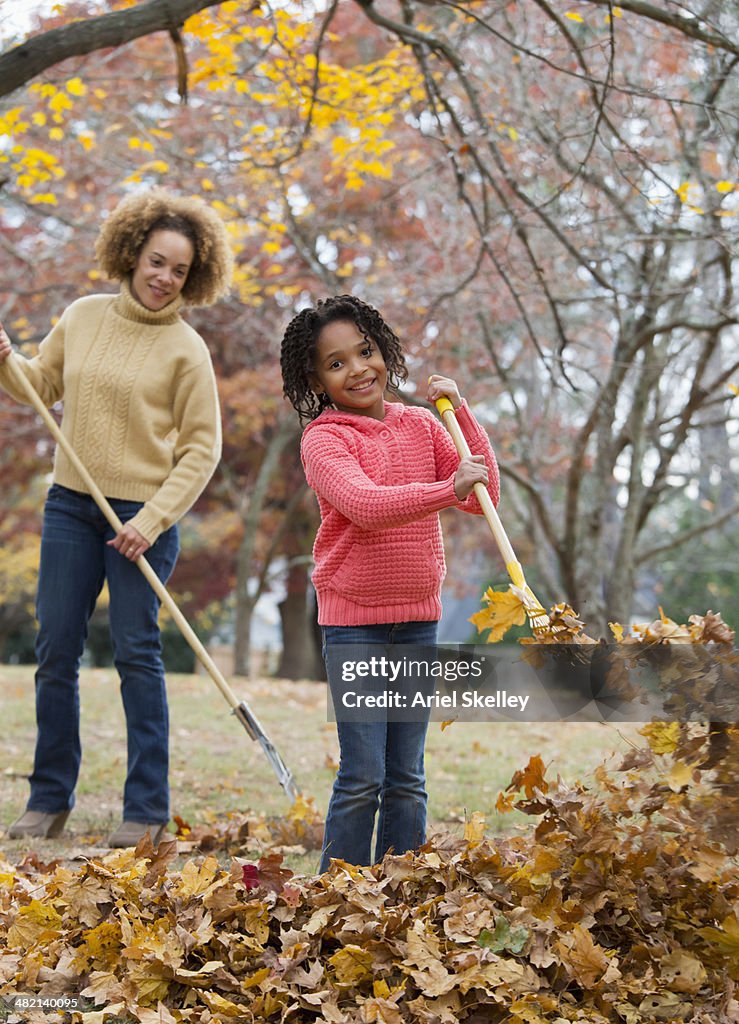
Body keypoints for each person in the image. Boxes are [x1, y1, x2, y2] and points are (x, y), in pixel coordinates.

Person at [0, 188, 232, 847]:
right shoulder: (82, 316)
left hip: (141, 520)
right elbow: (40, 387)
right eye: (156, 261)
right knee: (55, 650)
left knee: (136, 654)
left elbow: (200, 449)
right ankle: (49, 800)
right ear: (131, 254)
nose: (163, 278)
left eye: (179, 270)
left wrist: (152, 521)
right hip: (71, 506)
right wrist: (7, 360)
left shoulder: (188, 351)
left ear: (193, 277)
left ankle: (146, 811)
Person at [280, 295, 500, 872]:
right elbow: (366, 505)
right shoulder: (325, 440)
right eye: (336, 363)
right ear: (316, 378)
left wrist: (463, 413)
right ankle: (339, 896)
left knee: (407, 777)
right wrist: (444, 489)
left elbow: (485, 496)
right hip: (354, 625)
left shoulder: (423, 424)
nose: (357, 369)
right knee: (364, 775)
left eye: (365, 351)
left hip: (417, 621)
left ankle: (402, 891)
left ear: (383, 349)